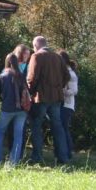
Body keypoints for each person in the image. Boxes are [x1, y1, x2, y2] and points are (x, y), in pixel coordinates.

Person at [26, 35, 71, 165]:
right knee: (58, 127)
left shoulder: (36, 56)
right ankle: (62, 157)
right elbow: (66, 75)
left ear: (36, 46)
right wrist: (58, 86)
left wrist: (31, 91)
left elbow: (31, 78)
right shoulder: (57, 57)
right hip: (56, 97)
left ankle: (37, 157)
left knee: (36, 127)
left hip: (41, 97)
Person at [0, 50, 29, 166]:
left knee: (0, 132)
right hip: (21, 110)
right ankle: (14, 161)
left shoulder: (3, 75)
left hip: (7, 108)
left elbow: (1, 94)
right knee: (18, 136)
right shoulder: (22, 75)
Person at [60, 50, 78, 159]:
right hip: (65, 104)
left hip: (67, 104)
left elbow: (75, 90)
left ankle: (68, 152)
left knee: (64, 128)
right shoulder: (65, 72)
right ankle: (67, 151)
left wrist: (63, 92)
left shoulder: (70, 74)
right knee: (63, 128)